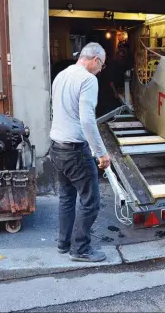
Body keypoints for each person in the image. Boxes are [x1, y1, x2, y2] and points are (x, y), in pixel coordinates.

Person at [49, 42, 111, 262]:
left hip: (56, 146)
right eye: (101, 65)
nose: (101, 70)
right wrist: (101, 153)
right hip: (75, 150)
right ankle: (80, 249)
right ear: (95, 59)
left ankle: (64, 243)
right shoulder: (88, 80)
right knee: (91, 201)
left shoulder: (62, 75)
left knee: (66, 197)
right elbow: (87, 120)